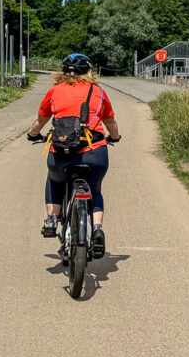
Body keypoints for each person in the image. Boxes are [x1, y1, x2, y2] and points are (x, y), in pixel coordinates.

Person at [26, 53, 121, 259]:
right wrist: (115, 138)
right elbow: (111, 122)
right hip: (95, 152)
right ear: (89, 72)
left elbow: (40, 121)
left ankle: (52, 219)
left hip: (62, 153)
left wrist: (33, 135)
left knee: (54, 179)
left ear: (62, 72)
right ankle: (96, 228)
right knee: (95, 190)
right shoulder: (98, 92)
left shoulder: (54, 91)